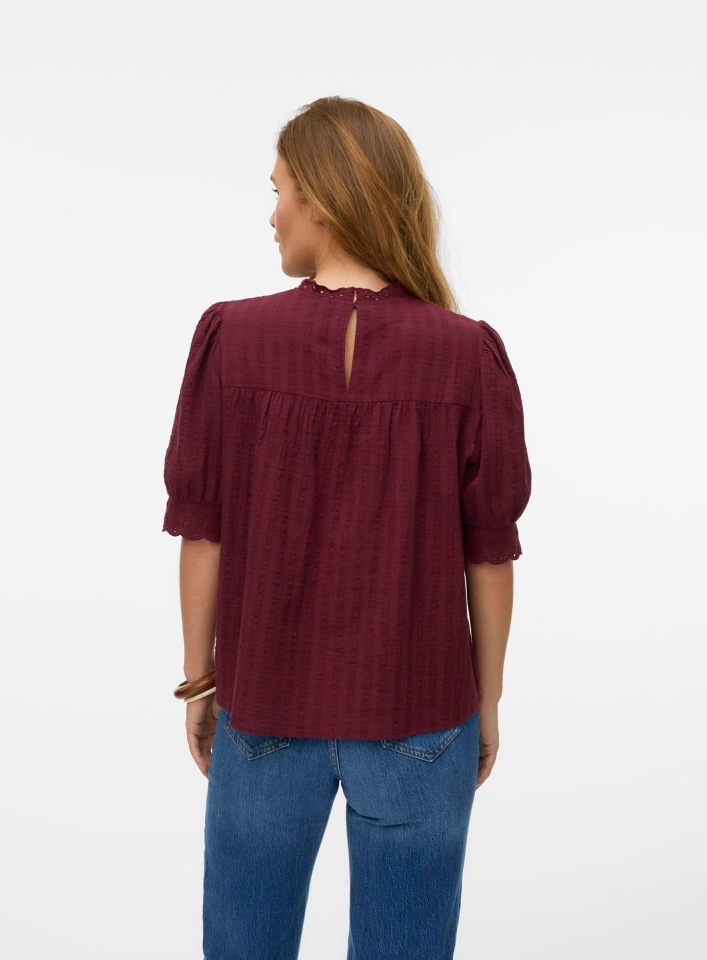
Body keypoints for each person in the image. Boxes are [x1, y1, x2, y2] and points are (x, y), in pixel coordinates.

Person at [163, 96, 531, 960]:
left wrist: (200, 680)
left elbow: (202, 529)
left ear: (322, 201)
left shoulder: (233, 337)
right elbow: (490, 551)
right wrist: (486, 702)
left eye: (279, 191)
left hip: (265, 705)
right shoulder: (466, 353)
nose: (272, 215)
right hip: (421, 714)